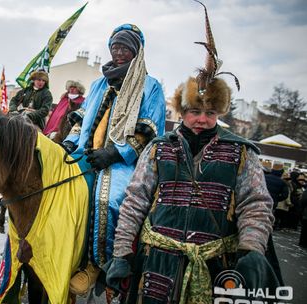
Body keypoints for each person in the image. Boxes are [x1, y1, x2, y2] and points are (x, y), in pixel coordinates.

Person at [105, 5, 279, 302]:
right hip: (157, 266)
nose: (202, 119)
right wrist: (122, 253)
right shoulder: (158, 148)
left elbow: (257, 204)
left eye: (210, 112)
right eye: (195, 111)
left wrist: (251, 249)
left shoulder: (241, 153)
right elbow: (134, 202)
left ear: (219, 113)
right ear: (183, 112)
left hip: (214, 270)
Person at [64, 23, 166, 296]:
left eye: (125, 48)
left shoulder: (151, 86)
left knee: (106, 200)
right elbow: (81, 121)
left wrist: (115, 153)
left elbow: (149, 131)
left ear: (136, 52)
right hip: (86, 154)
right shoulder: (99, 82)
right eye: (115, 47)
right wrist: (69, 143)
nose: (119, 52)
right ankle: (67, 256)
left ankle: (99, 265)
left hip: (124, 161)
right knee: (62, 189)